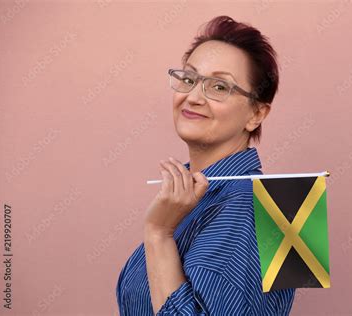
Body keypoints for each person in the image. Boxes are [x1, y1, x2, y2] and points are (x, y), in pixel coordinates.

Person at [116, 15, 296, 315]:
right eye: (188, 79)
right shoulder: (193, 199)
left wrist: (158, 233)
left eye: (219, 87)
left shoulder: (255, 208)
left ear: (257, 114)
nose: (194, 97)